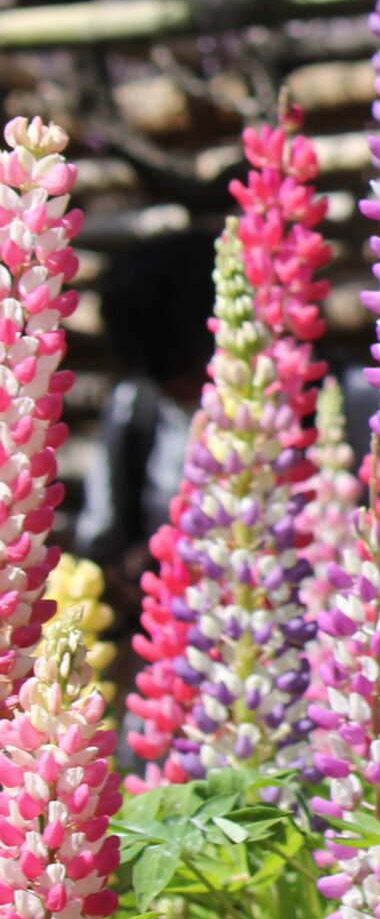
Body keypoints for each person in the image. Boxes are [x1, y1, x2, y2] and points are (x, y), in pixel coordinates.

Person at [73, 229, 217, 664]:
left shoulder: (310, 403)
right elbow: (100, 549)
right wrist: (138, 573)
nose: (183, 383)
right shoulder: (138, 409)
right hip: (172, 657)